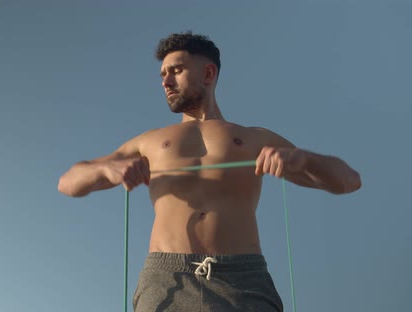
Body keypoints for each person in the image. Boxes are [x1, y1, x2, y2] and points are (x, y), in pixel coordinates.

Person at [58, 32, 361, 312]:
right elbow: (67, 183)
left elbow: (348, 180)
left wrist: (302, 159)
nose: (165, 81)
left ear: (208, 73)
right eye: (162, 74)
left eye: (175, 70)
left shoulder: (254, 137)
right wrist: (107, 168)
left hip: (243, 281)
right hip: (167, 279)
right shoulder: (150, 140)